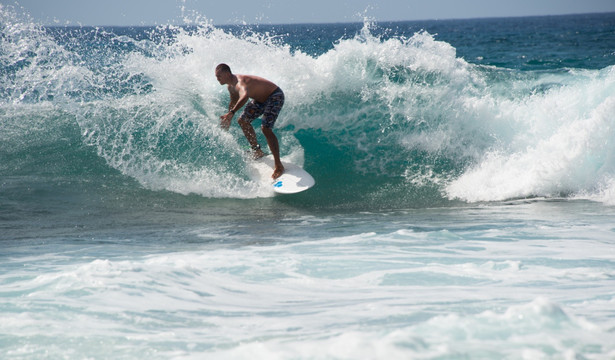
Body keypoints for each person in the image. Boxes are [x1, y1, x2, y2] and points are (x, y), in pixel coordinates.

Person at [215, 63, 285, 179]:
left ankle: (278, 165)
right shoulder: (230, 87)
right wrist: (229, 118)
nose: (217, 79)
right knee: (243, 120)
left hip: (274, 96)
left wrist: (232, 113)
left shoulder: (239, 82)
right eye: (216, 77)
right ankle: (257, 151)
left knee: (265, 128)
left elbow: (245, 96)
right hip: (260, 100)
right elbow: (233, 101)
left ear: (227, 74)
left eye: (219, 76)